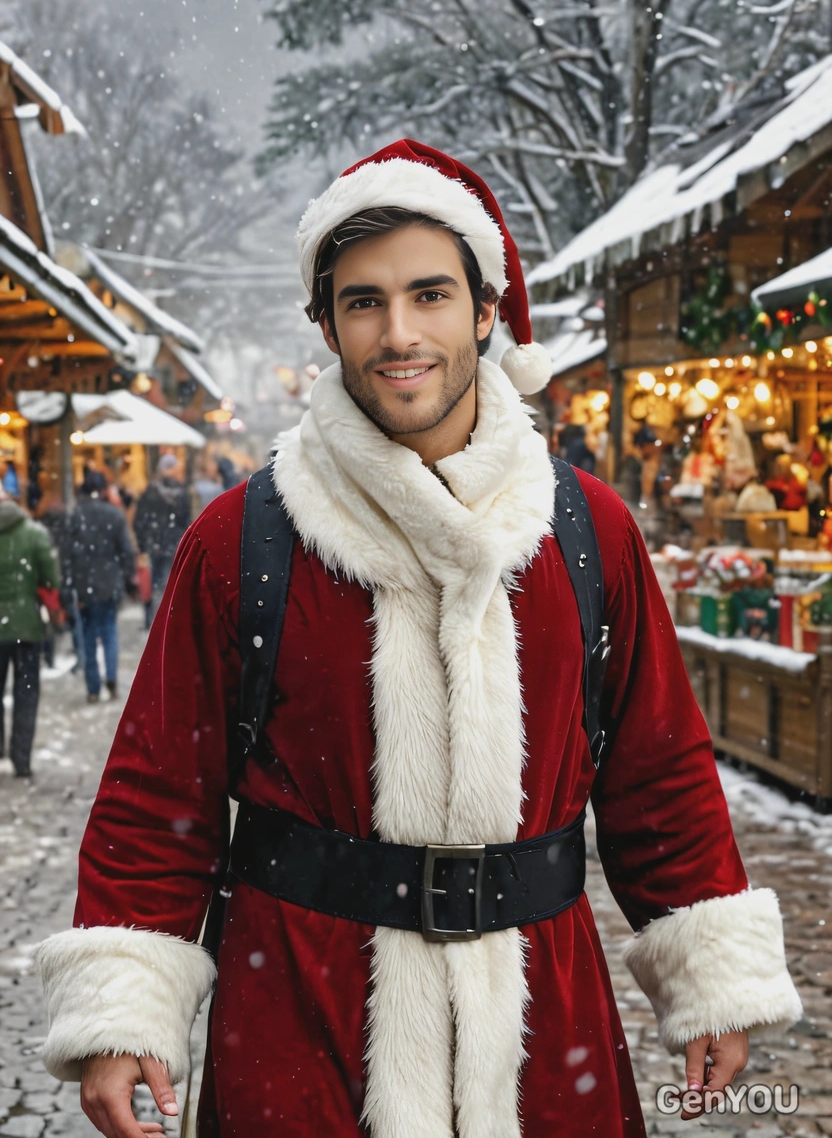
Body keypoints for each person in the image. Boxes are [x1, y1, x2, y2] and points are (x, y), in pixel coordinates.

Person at [36, 141, 801, 1138]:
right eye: (363, 301)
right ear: (325, 324)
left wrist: (710, 972)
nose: (399, 332)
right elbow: (158, 791)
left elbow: (656, 767)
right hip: (299, 1020)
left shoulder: (588, 529)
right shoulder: (242, 540)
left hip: (539, 1020)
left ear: (484, 310)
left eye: (430, 294)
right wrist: (122, 1006)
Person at [0, 490, 60, 777]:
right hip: (27, 627)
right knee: (26, 693)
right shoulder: (34, 533)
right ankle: (21, 759)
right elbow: (51, 578)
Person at [64, 472, 136, 703]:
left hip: (84, 585)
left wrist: (68, 584)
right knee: (109, 633)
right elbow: (126, 551)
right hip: (109, 583)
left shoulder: (75, 516)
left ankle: (93, 687)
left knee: (87, 635)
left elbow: (66, 556)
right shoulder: (114, 515)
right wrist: (126, 578)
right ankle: (112, 677)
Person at [133, 455, 191, 628]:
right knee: (170, 580)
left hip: (153, 543)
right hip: (174, 543)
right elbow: (186, 521)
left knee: (153, 581)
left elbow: (139, 520)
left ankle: (153, 618)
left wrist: (143, 542)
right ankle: (168, 618)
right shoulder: (181, 493)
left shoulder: (150, 491)